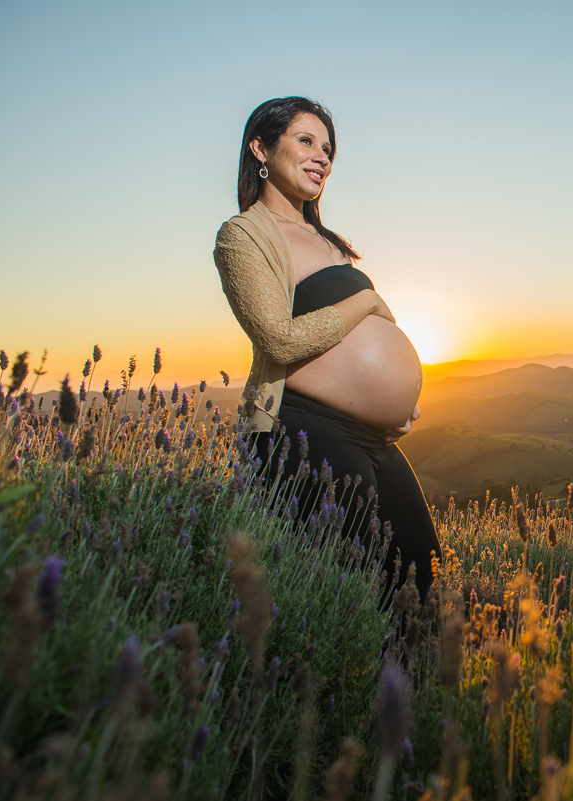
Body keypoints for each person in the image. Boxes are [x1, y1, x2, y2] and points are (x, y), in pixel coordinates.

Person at [213, 96, 441, 599]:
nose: (323, 157)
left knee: (424, 579)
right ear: (260, 148)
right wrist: (365, 302)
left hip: (373, 436)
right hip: (305, 428)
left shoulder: (329, 240)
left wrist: (397, 403)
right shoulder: (243, 236)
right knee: (359, 589)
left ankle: (423, 679)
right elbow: (277, 338)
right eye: (306, 141)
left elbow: (369, 336)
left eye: (329, 148)